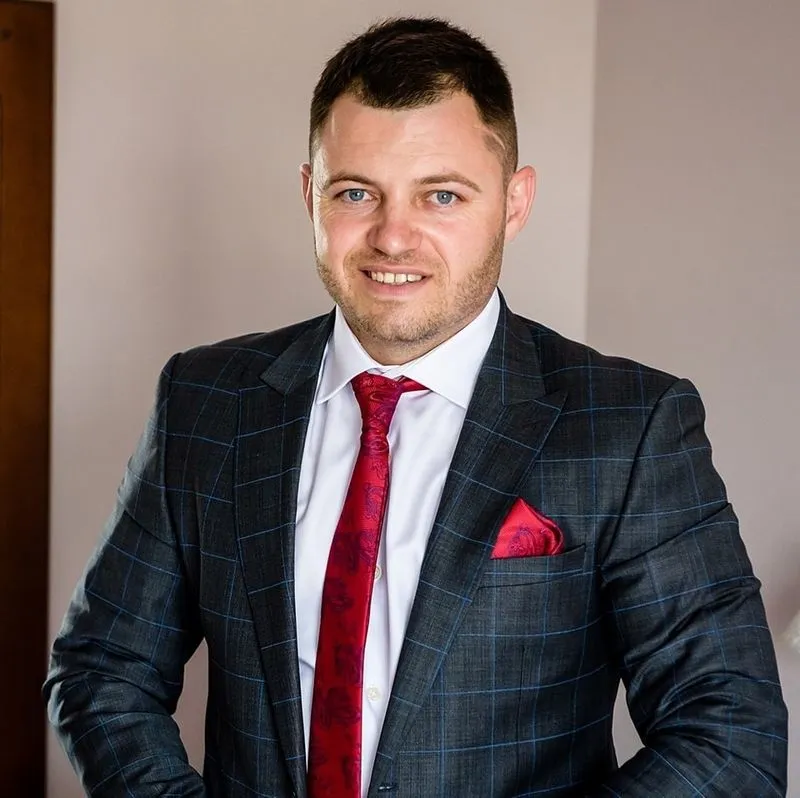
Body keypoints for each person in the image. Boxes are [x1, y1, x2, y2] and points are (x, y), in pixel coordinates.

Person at [44, 16, 788, 798]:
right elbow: (103, 669)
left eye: (442, 195)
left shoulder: (631, 426)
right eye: (357, 192)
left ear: (514, 200)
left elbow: (731, 735)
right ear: (311, 196)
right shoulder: (206, 401)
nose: (393, 237)